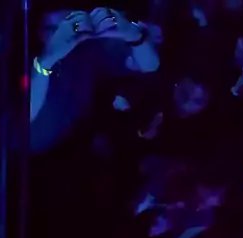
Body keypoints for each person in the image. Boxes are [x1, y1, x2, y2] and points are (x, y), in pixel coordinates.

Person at [30, 7, 160, 153]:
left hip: (77, 150)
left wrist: (134, 34)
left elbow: (150, 67)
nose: (65, 33)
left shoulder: (86, 51)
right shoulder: (24, 54)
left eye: (73, 23)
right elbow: (25, 113)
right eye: (54, 29)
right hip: (27, 155)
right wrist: (47, 59)